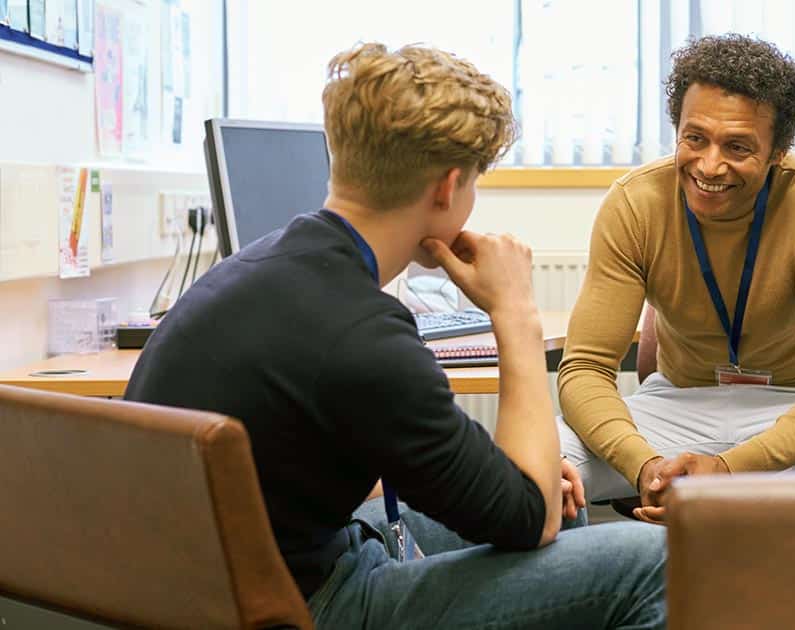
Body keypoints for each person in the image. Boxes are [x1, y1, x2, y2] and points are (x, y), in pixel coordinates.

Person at [126, 42, 665, 628]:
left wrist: (521, 484)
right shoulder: (364, 336)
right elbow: (528, 518)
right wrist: (515, 311)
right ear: (446, 188)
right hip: (305, 605)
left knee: (567, 507)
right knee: (661, 561)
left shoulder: (257, 268)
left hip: (213, 585)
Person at [557, 34, 795, 524]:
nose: (710, 165)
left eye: (737, 146)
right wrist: (646, 467)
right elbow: (585, 370)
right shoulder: (635, 203)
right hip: (677, 406)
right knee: (541, 462)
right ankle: (594, 594)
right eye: (695, 138)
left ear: (778, 151)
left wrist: (730, 469)